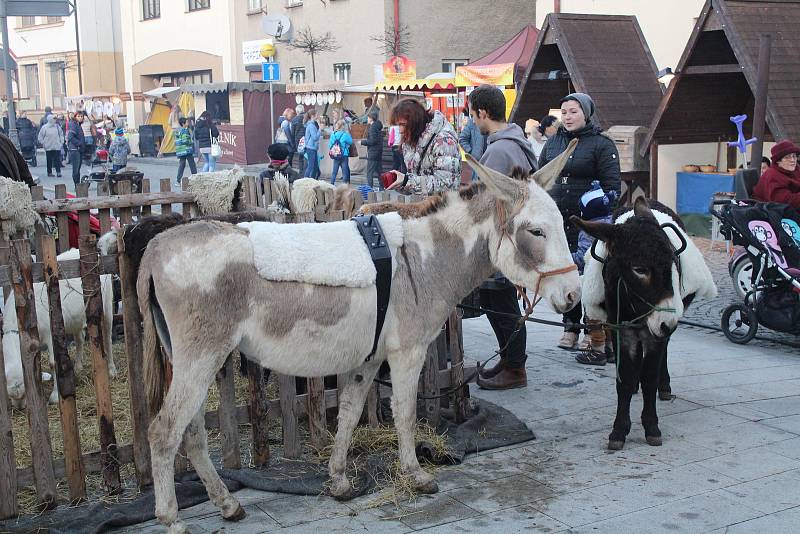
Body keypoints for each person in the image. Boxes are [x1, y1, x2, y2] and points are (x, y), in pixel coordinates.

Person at [466, 85, 538, 390]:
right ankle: (510, 361)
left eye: (472, 114)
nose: (472, 120)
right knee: (500, 301)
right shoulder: (514, 142)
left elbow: (484, 200)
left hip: (502, 239)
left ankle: (515, 369)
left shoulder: (498, 150)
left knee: (502, 304)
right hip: (513, 237)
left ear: (483, 112)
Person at [539, 92, 620, 361]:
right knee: (565, 272)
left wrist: (595, 202)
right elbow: (540, 179)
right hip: (559, 221)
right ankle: (570, 326)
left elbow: (612, 188)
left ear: (586, 113)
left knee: (591, 275)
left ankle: (592, 330)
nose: (567, 116)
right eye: (564, 112)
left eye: (573, 111)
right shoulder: (552, 143)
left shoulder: (602, 145)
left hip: (589, 222)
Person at [574, 181, 618, 365]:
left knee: (593, 315)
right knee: (608, 315)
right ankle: (610, 349)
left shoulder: (589, 229)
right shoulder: (612, 223)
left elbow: (581, 256)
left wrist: (564, 259)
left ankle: (597, 351)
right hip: (610, 281)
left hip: (593, 281)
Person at [386, 99, 461, 195]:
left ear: (415, 122)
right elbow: (417, 179)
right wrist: (400, 182)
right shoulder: (412, 140)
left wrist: (406, 181)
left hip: (444, 208)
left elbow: (446, 185)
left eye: (403, 125)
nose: (400, 130)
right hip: (425, 206)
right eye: (398, 125)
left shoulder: (444, 141)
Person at [753, 140, 800, 209]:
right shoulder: (772, 175)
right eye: (787, 157)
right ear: (778, 161)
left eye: (794, 156)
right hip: (773, 212)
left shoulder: (795, 169)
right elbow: (784, 201)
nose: (792, 160)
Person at [459, 108, 485, 181]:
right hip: (477, 163)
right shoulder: (472, 122)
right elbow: (462, 139)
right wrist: (471, 152)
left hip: (490, 163)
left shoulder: (491, 122)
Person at [361, 109, 384, 188]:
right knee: (379, 171)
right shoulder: (378, 127)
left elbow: (372, 141)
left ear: (371, 118)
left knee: (369, 172)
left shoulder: (372, 128)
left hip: (373, 152)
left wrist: (362, 142)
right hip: (378, 152)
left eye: (368, 117)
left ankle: (369, 189)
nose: (367, 119)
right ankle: (382, 187)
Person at [329, 119, 353, 185]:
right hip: (344, 155)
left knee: (334, 172)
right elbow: (351, 142)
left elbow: (330, 145)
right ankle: (345, 187)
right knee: (345, 172)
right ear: (342, 126)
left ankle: (331, 184)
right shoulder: (345, 135)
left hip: (336, 155)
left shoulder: (333, 134)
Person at [174, 117, 197, 184]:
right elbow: (185, 140)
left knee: (182, 165)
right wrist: (191, 142)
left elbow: (176, 141)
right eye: (187, 122)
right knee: (192, 164)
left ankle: (178, 180)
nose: (188, 123)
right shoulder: (185, 130)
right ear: (183, 123)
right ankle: (196, 178)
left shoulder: (177, 131)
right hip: (187, 150)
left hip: (180, 150)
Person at [66, 111, 86, 187]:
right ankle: (76, 185)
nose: (80, 118)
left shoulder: (78, 125)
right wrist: (79, 144)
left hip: (78, 149)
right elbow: (70, 137)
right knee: (76, 169)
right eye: (79, 116)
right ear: (75, 117)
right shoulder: (73, 125)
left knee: (78, 169)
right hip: (75, 150)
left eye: (81, 116)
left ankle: (78, 185)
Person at [303, 108, 321, 179]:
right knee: (311, 166)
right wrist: (320, 129)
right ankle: (305, 180)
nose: (318, 116)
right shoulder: (311, 126)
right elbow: (315, 137)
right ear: (313, 116)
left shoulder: (311, 125)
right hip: (311, 148)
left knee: (315, 166)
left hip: (312, 147)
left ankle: (312, 180)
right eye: (317, 114)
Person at [290, 104, 305, 170]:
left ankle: (301, 172)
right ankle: (306, 172)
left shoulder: (294, 120)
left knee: (300, 156)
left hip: (298, 140)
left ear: (297, 111)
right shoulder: (307, 118)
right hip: (306, 139)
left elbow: (292, 133)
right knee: (306, 156)